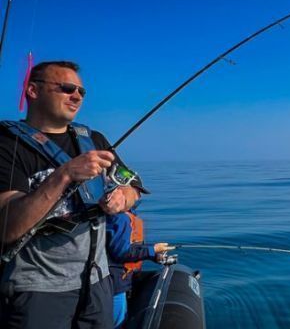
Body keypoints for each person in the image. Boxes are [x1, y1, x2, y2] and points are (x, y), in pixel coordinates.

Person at [0, 61, 143, 328]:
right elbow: (7, 225)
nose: (76, 96)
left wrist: (124, 196)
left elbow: (135, 186)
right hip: (38, 290)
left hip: (97, 285)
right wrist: (64, 175)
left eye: (81, 91)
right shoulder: (8, 144)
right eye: (66, 88)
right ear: (33, 90)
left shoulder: (94, 139)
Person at [106, 209, 171, 328]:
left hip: (123, 278)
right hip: (116, 282)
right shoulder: (121, 218)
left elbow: (132, 248)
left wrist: (153, 255)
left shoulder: (123, 218)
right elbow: (122, 252)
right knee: (117, 322)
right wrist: (153, 250)